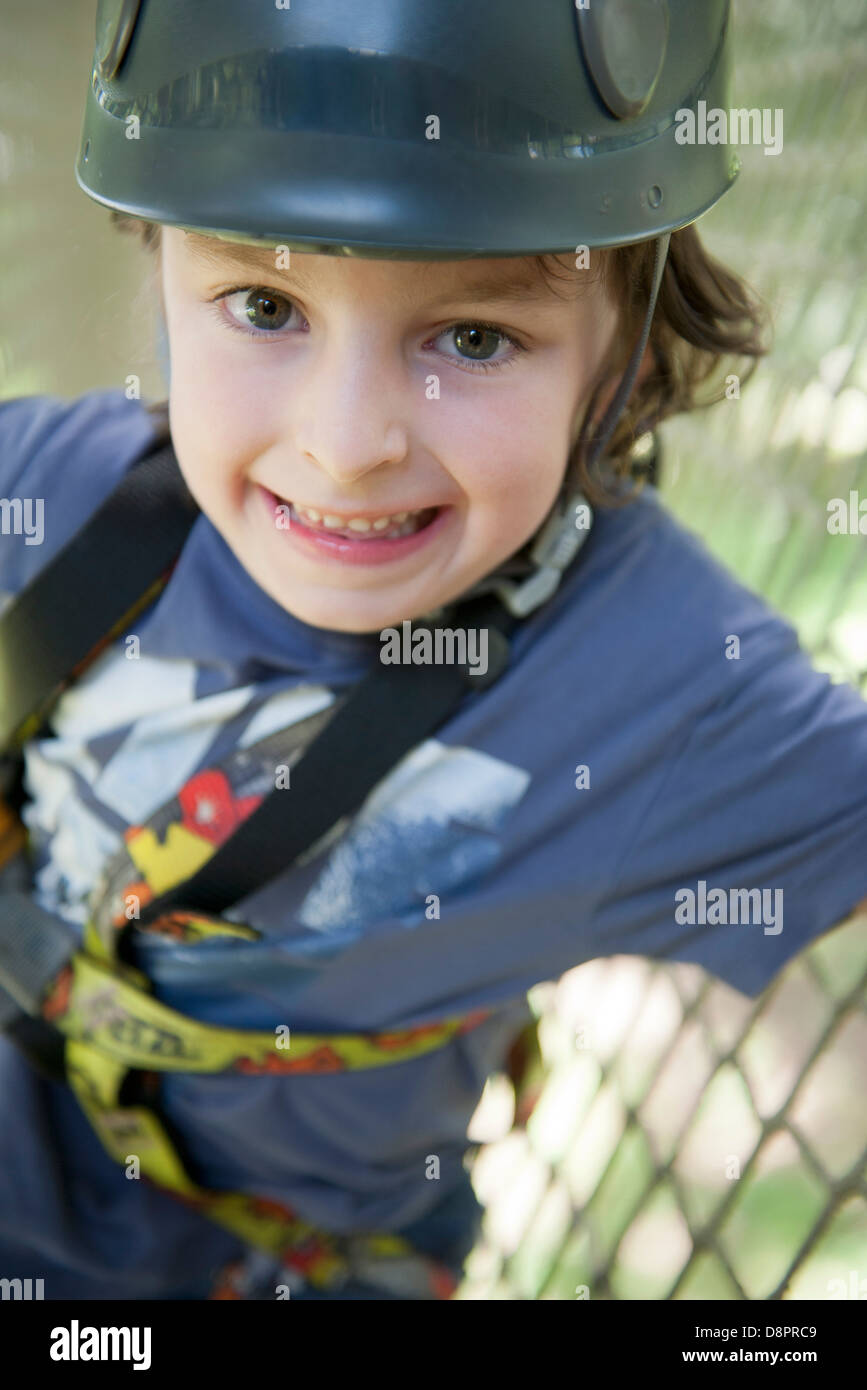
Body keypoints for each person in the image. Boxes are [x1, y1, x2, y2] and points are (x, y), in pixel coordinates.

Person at [1, 0, 866, 1301]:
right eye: (262, 302)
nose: (348, 441)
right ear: (158, 271)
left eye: (474, 337)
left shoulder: (662, 690)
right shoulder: (45, 506)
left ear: (623, 361)